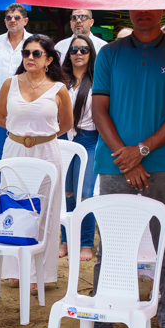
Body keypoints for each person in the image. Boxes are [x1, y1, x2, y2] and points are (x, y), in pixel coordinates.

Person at [88, 9, 165, 328]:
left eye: (150, 8)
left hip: (162, 164)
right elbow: (99, 108)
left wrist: (143, 150)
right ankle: (104, 317)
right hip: (115, 164)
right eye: (136, 8)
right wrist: (125, 154)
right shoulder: (109, 53)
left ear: (162, 9)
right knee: (111, 248)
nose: (143, 14)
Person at [0, 34, 71, 286]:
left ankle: (40, 274)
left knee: (45, 212)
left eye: (36, 53)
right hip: (14, 151)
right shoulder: (10, 83)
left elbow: (66, 124)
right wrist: (20, 135)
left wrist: (40, 137)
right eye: (26, 53)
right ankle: (14, 271)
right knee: (14, 207)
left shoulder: (59, 89)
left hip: (46, 153)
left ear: (48, 59)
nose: (29, 58)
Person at [63, 35, 100, 263]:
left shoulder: (98, 79)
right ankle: (66, 239)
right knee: (66, 192)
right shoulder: (60, 80)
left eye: (84, 49)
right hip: (64, 140)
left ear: (90, 53)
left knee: (85, 193)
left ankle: (86, 242)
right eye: (74, 49)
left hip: (90, 139)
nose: (78, 53)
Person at [0, 5, 33, 163]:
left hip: (25, 105)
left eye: (17, 17)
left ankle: (21, 187)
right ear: (5, 21)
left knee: (23, 148)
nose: (13, 20)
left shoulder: (33, 43)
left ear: (25, 21)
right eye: (9, 17)